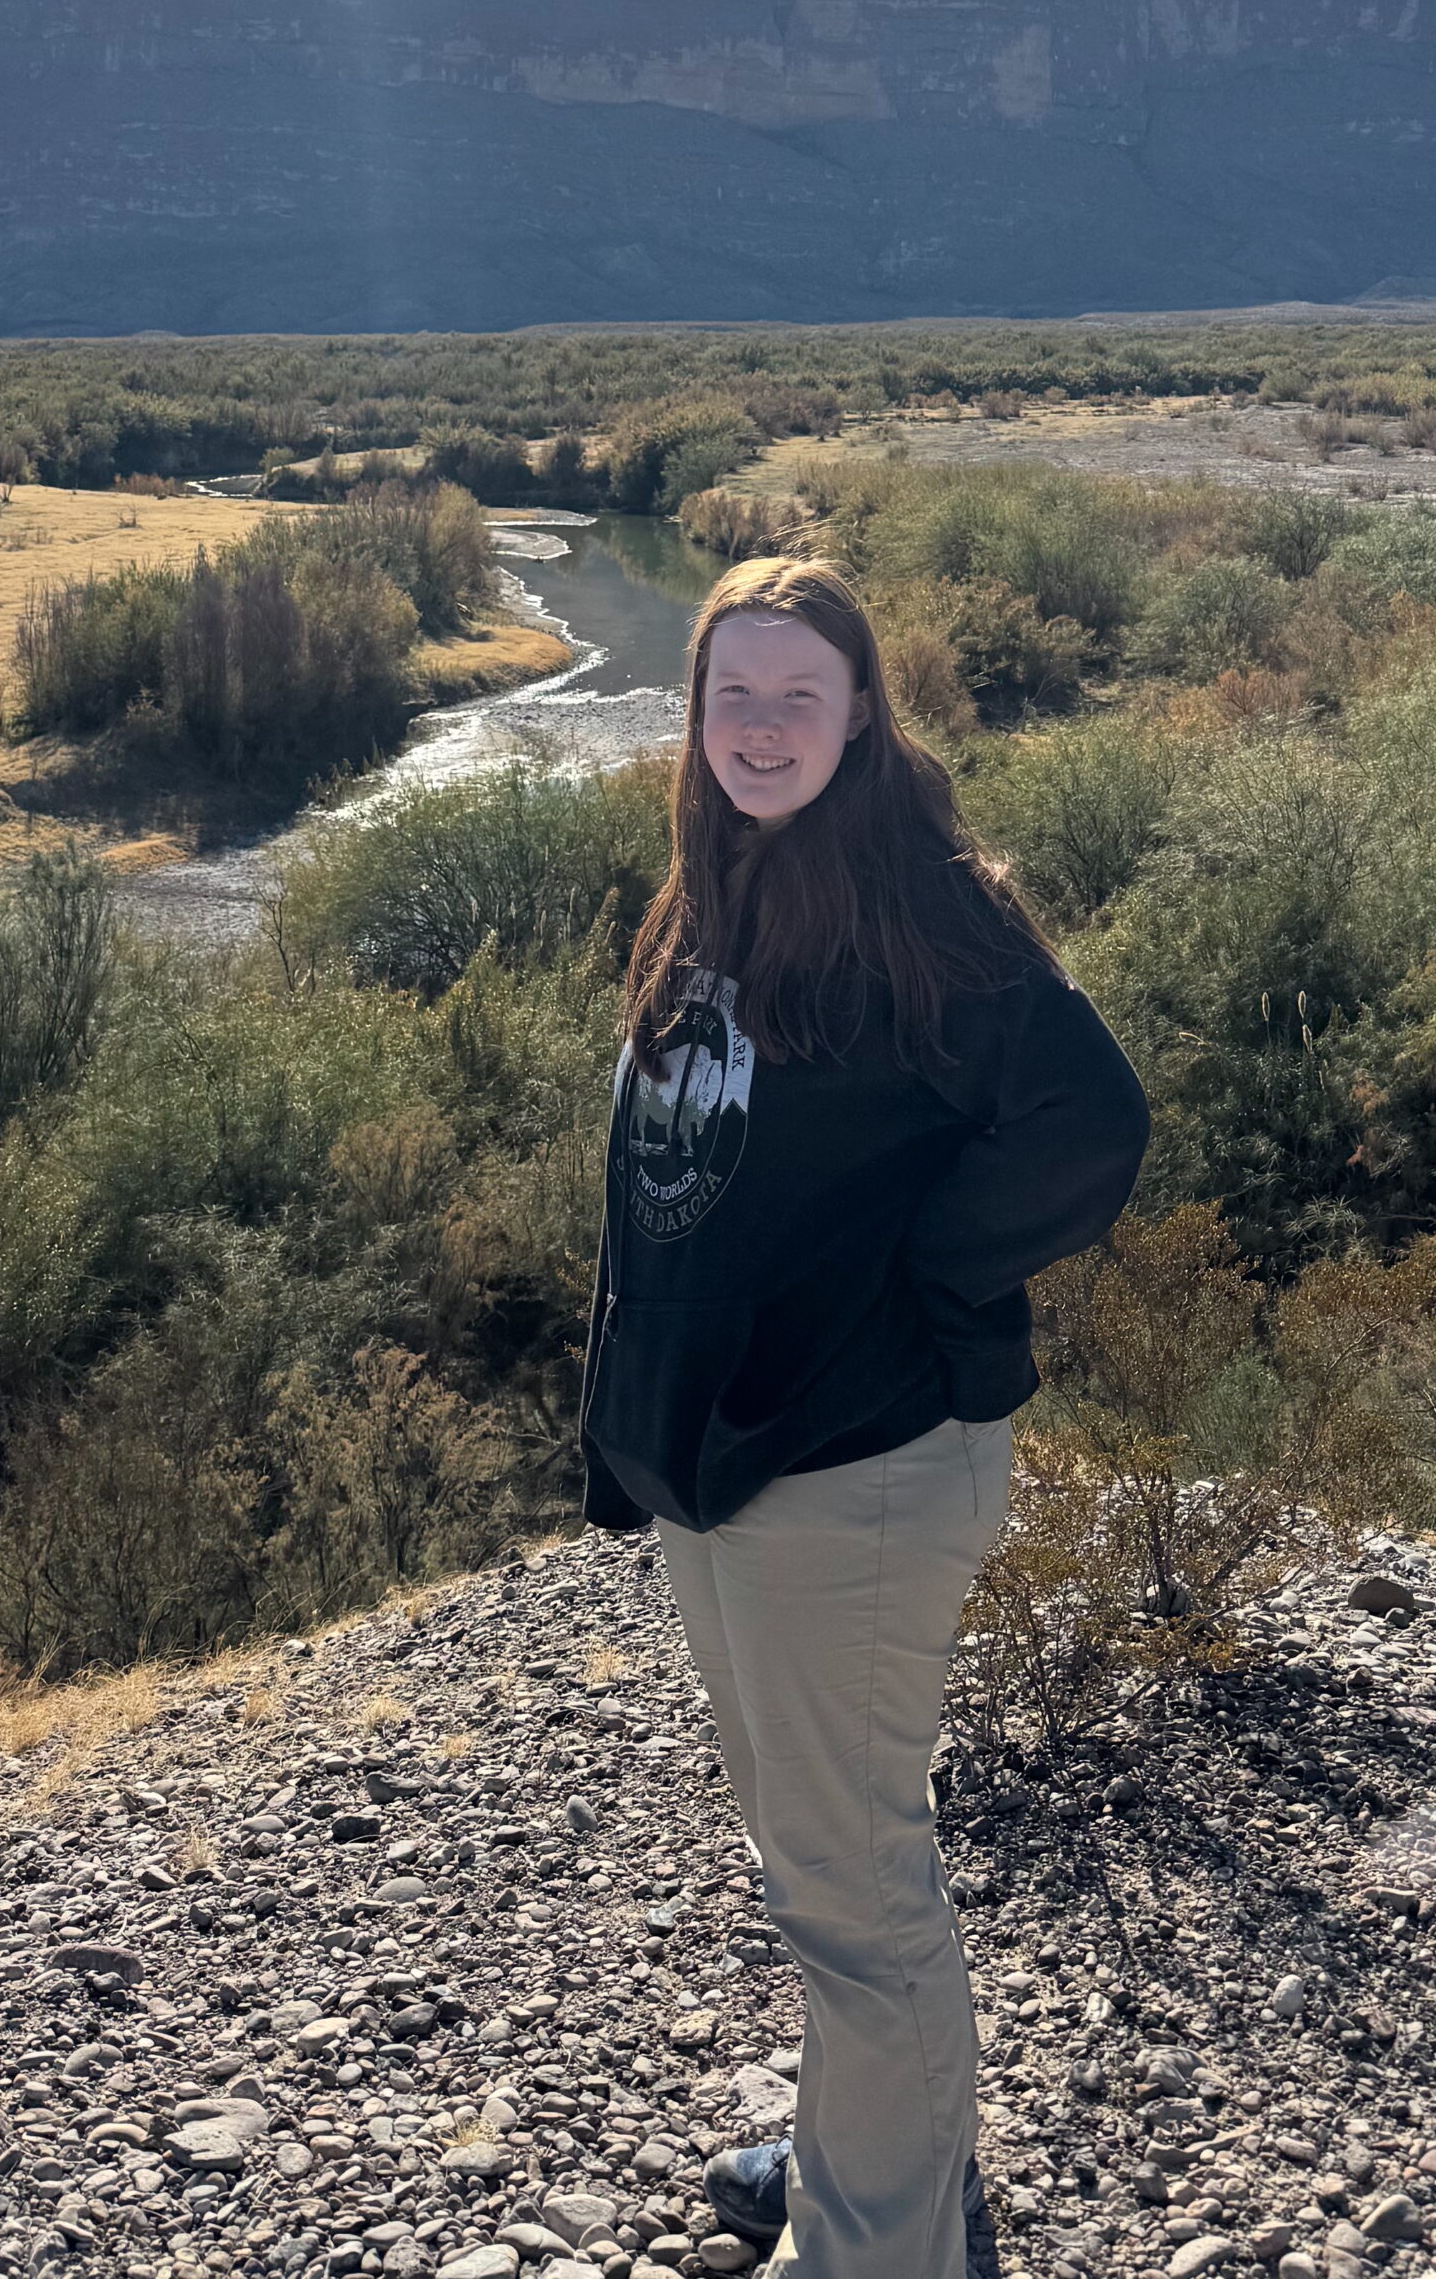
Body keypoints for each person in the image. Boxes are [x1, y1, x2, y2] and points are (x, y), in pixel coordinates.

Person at [578, 556, 1151, 2279]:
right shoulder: (720, 884)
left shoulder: (924, 906)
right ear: (694, 717)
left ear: (860, 716)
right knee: (820, 1872)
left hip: (860, 1463)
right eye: (730, 696)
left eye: (796, 698)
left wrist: (917, 1273)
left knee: (855, 1898)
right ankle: (870, 2157)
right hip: (739, 1464)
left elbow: (1089, 1120)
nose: (760, 729)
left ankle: (887, 2246)